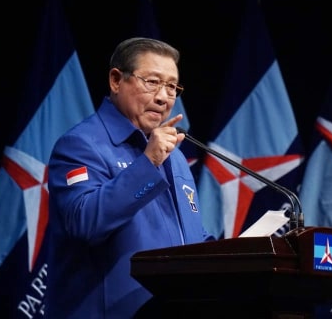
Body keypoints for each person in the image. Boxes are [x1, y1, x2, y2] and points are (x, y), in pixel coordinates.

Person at [46, 37, 212, 318]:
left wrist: (243, 251)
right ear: (115, 80)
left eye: (172, 86)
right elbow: (85, 222)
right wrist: (148, 162)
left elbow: (190, 238)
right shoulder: (80, 145)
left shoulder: (175, 157)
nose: (163, 97)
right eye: (152, 82)